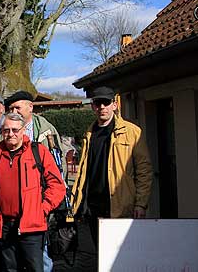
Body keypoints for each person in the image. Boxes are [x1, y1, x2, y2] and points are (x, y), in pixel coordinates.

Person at [56, 86, 153, 271]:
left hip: (119, 207)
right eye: (97, 103)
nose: (102, 107)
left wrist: (141, 204)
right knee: (96, 260)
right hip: (91, 208)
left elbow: (144, 170)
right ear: (92, 106)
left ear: (115, 105)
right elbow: (84, 170)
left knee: (120, 260)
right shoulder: (89, 133)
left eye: (106, 103)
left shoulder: (132, 132)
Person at [0, 113, 66, 272]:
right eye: (6, 130)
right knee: (9, 268)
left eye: (15, 130)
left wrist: (43, 209)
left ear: (23, 130)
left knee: (34, 268)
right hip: (3, 224)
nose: (10, 134)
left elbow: (57, 184)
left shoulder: (37, 151)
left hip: (31, 225)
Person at [4, 90, 66, 271]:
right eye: (11, 108)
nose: (14, 110)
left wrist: (45, 206)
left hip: (38, 203)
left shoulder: (47, 131)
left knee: (41, 256)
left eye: (18, 107)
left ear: (30, 107)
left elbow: (57, 167)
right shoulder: (6, 132)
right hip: (14, 208)